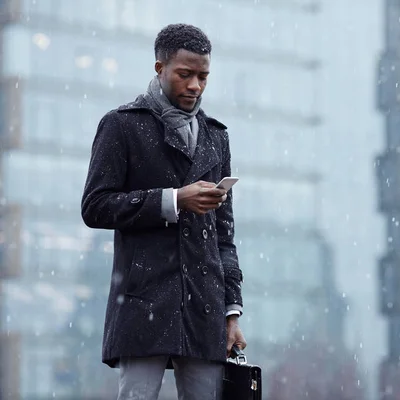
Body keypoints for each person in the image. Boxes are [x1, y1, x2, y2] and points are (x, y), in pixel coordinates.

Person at [81, 23, 246, 400]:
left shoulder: (215, 136)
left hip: (205, 307)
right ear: (160, 69)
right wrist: (172, 200)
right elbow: (95, 206)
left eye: (203, 77)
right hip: (142, 303)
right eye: (185, 75)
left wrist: (231, 312)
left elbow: (224, 237)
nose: (195, 86)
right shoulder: (121, 125)